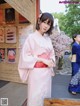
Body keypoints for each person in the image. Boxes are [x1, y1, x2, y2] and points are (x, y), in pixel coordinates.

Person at [18, 12, 56, 106]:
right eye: (44, 22)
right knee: (35, 97)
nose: (46, 26)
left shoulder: (48, 39)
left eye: (49, 24)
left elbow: (52, 54)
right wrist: (42, 60)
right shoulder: (31, 37)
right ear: (39, 21)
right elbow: (25, 56)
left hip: (46, 73)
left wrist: (51, 60)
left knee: (45, 95)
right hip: (36, 73)